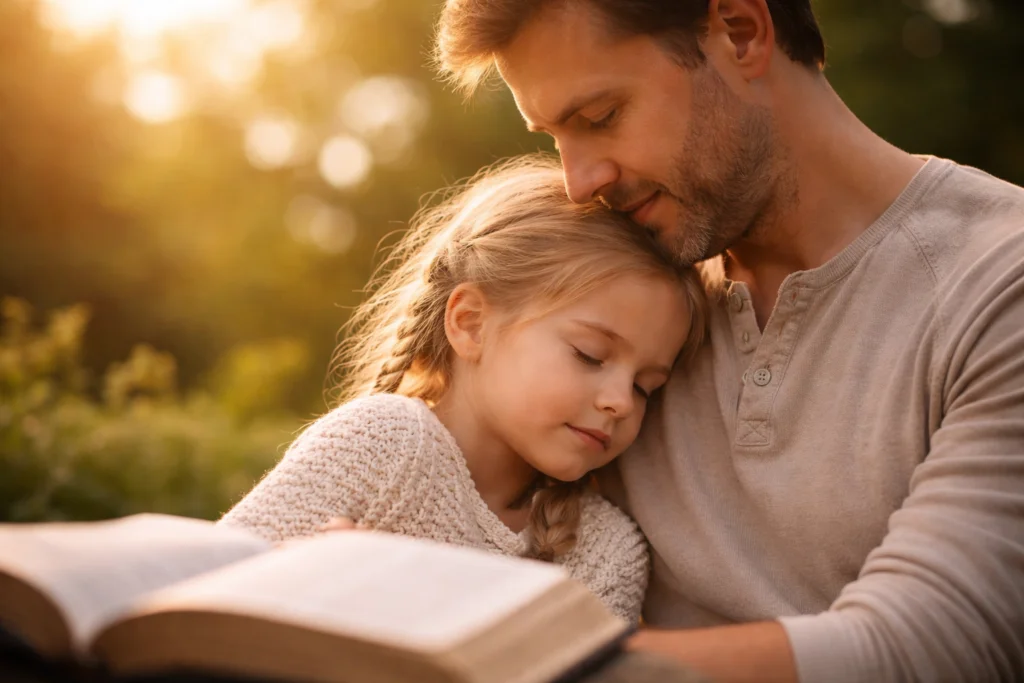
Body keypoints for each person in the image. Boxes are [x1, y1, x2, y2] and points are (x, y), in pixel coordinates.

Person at [434, 0, 1024, 681]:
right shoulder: (619, 304)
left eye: (600, 118)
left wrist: (456, 639)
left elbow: (929, 647)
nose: (579, 181)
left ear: (740, 33)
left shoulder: (997, 283)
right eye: (555, 139)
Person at [218, 155, 706, 623]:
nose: (619, 401)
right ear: (470, 324)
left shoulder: (605, 552)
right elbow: (202, 596)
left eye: (646, 387)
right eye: (590, 355)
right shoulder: (381, 446)